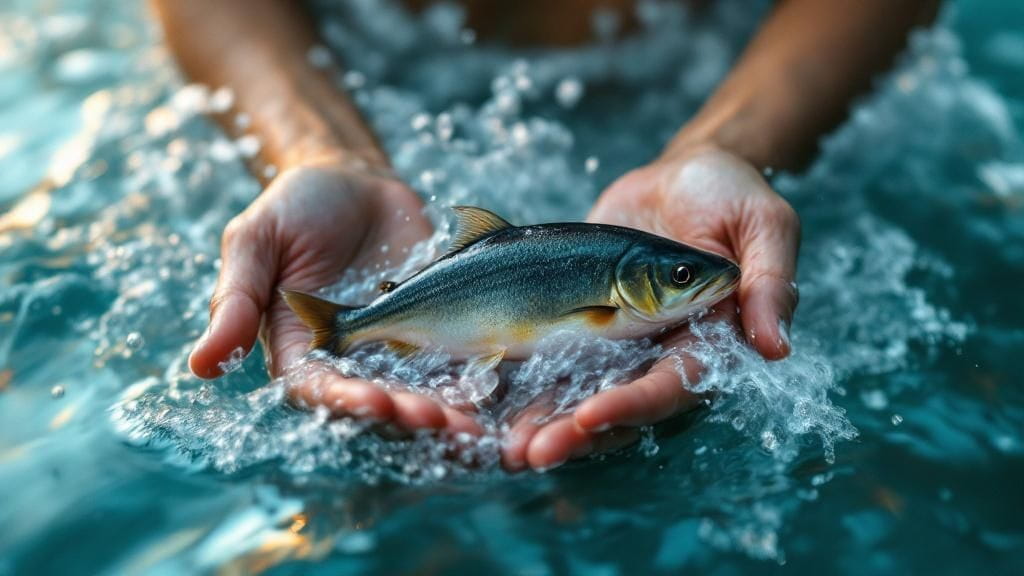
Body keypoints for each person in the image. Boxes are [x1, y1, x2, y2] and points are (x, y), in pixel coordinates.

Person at [153, 0, 939, 471]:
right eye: (678, 280)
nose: (699, 284)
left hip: (728, 58)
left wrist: (731, 145)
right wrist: (318, 153)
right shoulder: (609, 297)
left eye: (681, 280)